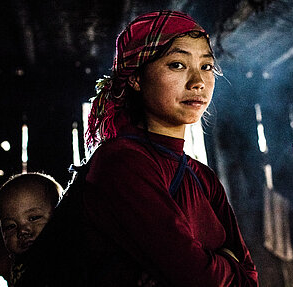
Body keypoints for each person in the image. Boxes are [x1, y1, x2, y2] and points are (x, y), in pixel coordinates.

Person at [82, 10, 258, 286]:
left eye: (206, 66)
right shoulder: (121, 163)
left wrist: (210, 266)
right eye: (177, 65)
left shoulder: (203, 177)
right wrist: (226, 262)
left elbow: (250, 278)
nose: (198, 82)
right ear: (136, 77)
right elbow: (197, 278)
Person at [0, 172, 63, 286]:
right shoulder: (19, 266)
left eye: (34, 218)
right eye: (10, 226)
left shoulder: (63, 259)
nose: (22, 231)